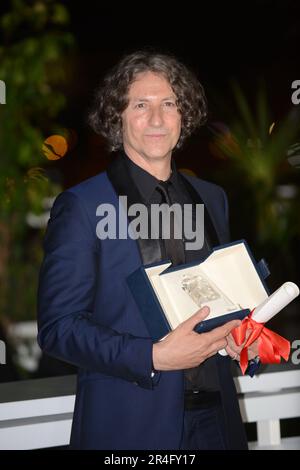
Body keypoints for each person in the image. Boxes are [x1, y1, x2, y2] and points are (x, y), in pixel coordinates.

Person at [37, 51, 259, 450]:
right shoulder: (83, 206)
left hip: (218, 424)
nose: (156, 119)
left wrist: (244, 334)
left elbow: (219, 295)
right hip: (129, 425)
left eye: (169, 104)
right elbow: (59, 328)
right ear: (116, 118)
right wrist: (152, 356)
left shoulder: (213, 199)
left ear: (183, 116)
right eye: (141, 105)